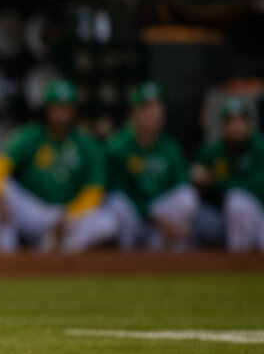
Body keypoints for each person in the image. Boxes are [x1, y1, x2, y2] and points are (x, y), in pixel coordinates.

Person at [0, 78, 116, 252]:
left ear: (74, 111)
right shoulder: (32, 135)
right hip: (33, 211)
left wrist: (69, 216)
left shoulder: (88, 144)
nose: (61, 115)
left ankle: (53, 255)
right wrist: (0, 197)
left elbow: (94, 191)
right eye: (56, 108)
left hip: (65, 213)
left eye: (66, 108)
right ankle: (6, 254)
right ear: (47, 110)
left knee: (107, 223)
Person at [105, 83, 198, 250]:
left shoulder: (171, 148)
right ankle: (125, 258)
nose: (153, 113)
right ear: (133, 114)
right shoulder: (118, 148)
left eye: (157, 107)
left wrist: (172, 220)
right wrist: (152, 214)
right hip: (134, 216)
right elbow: (117, 192)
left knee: (187, 196)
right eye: (146, 107)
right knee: (117, 203)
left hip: (161, 220)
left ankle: (172, 256)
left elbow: (182, 188)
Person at [190, 97, 264, 251]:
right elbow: (192, 175)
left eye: (241, 121)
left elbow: (257, 187)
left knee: (237, 201)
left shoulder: (259, 148)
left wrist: (214, 182)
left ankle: (238, 262)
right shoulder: (212, 152)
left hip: (259, 214)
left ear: (249, 124)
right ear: (223, 127)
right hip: (223, 218)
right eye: (231, 122)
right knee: (193, 214)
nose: (236, 127)